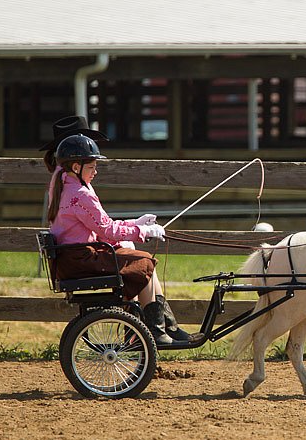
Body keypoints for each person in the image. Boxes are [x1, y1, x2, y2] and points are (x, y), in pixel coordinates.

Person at [46, 133, 196, 345]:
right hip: (81, 258)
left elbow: (101, 225)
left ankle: (163, 327)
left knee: (141, 261)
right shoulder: (80, 194)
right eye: (91, 167)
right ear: (76, 167)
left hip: (74, 256)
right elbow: (107, 230)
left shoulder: (63, 183)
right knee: (143, 262)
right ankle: (155, 330)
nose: (95, 172)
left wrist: (136, 223)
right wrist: (143, 232)